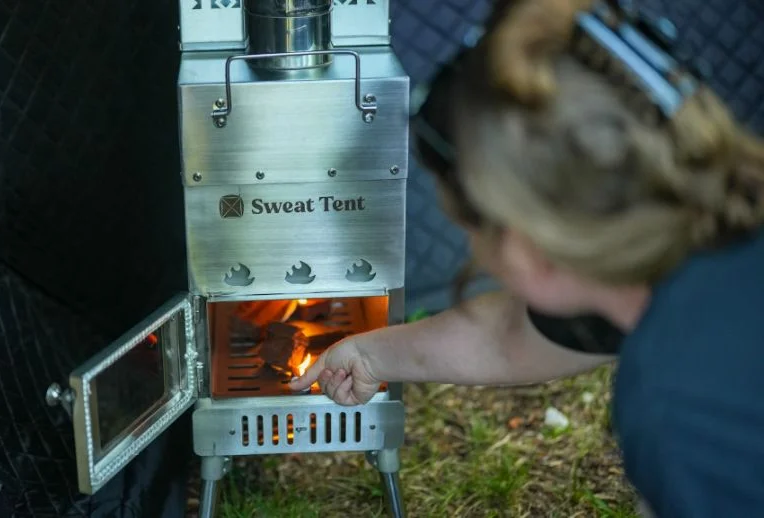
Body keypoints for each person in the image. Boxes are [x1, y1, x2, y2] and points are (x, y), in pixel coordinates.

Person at [291, 0, 764, 515]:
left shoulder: (683, 411)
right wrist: (371, 355)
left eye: (472, 232)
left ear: (528, 251)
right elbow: (514, 336)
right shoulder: (691, 261)